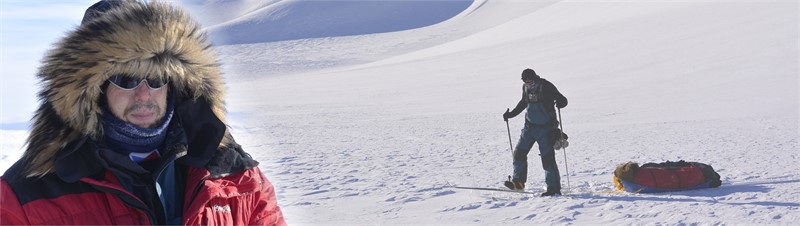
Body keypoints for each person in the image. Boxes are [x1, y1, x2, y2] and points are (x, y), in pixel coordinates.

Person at [0, 1, 286, 225]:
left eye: (157, 79)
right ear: (94, 91)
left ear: (175, 86)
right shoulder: (25, 194)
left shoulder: (236, 176)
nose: (144, 94)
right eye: (126, 80)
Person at [502, 68, 568, 196]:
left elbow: (563, 100)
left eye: (530, 81)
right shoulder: (525, 88)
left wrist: (560, 102)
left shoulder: (546, 86)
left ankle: (553, 188)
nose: (528, 84)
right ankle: (518, 183)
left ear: (535, 78)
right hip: (529, 127)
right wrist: (511, 114)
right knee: (519, 154)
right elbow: (523, 103)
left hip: (546, 129)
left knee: (547, 159)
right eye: (525, 81)